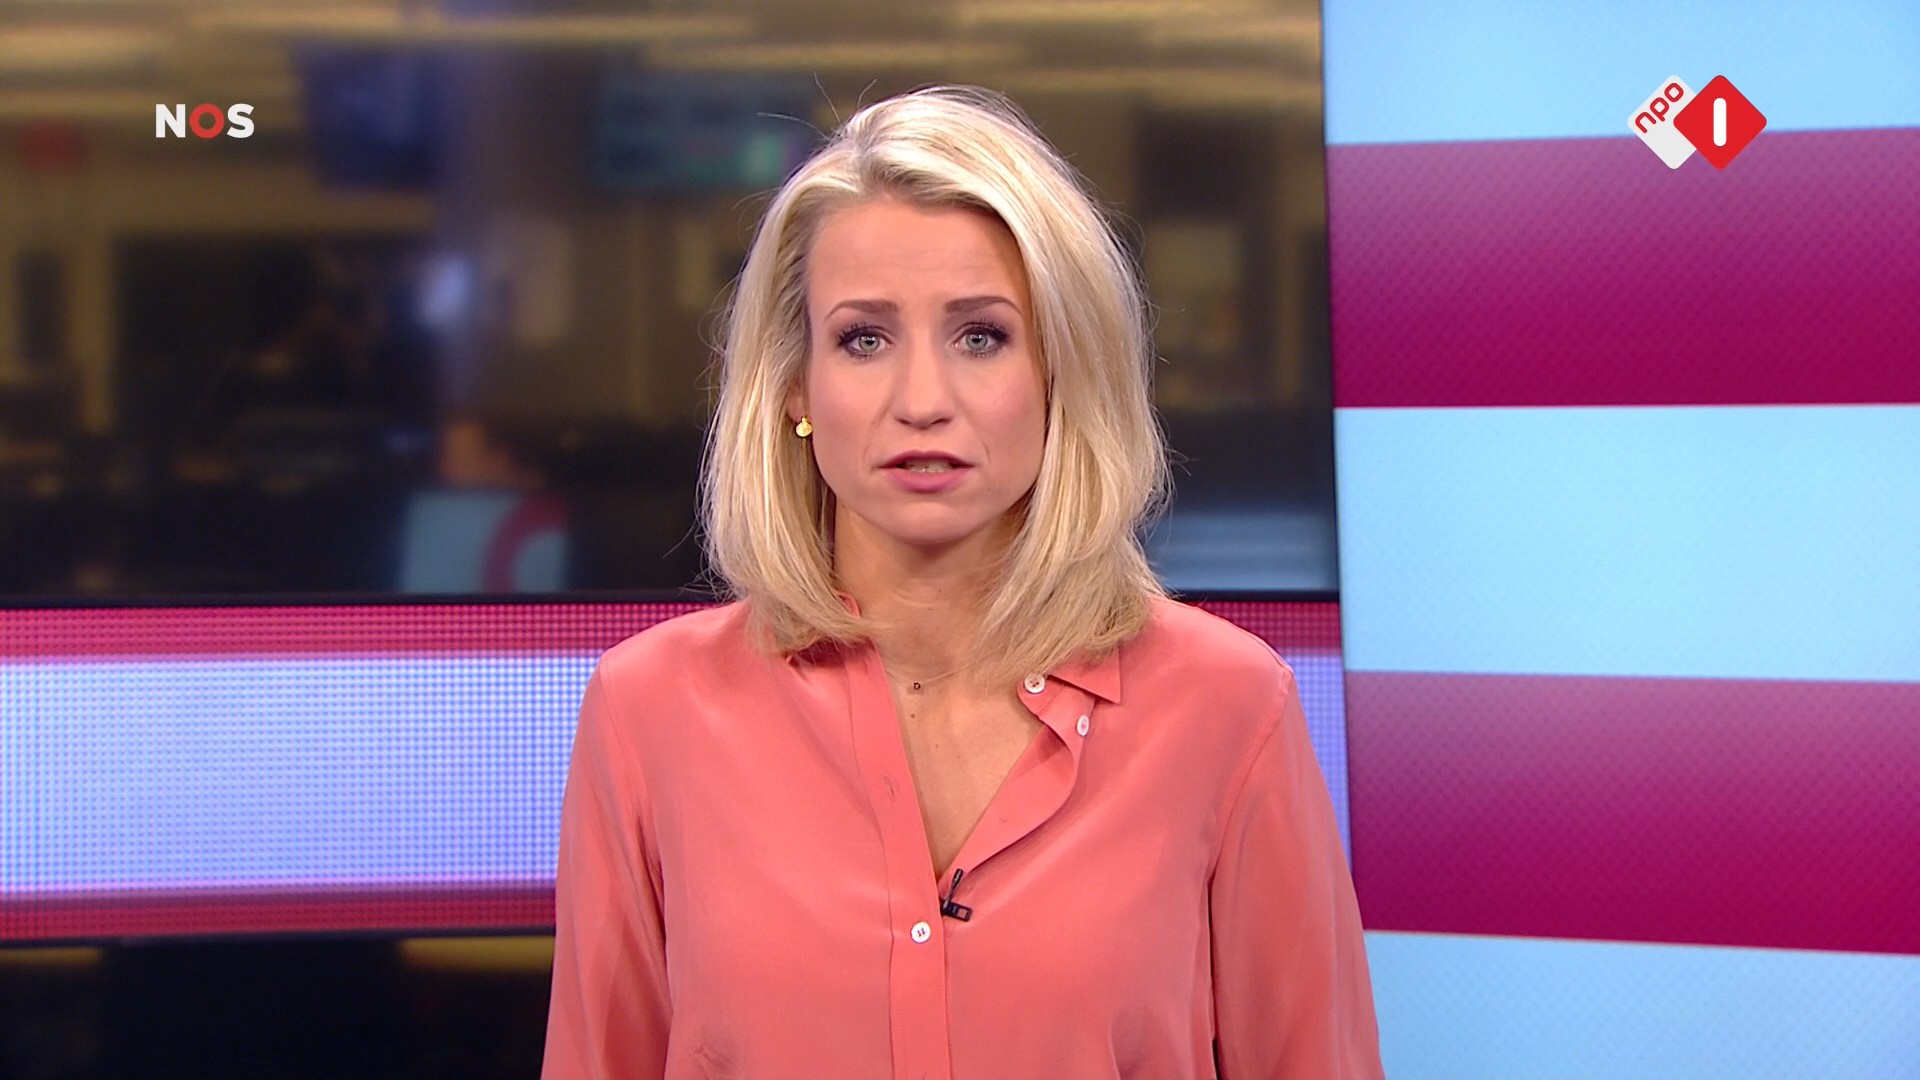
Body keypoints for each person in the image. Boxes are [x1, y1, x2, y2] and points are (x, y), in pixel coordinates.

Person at [541, 84, 1382, 1080]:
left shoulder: (1228, 708)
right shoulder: (650, 714)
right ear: (797, 385)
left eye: (980, 335)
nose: (922, 401)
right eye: (864, 339)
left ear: (1061, 371)